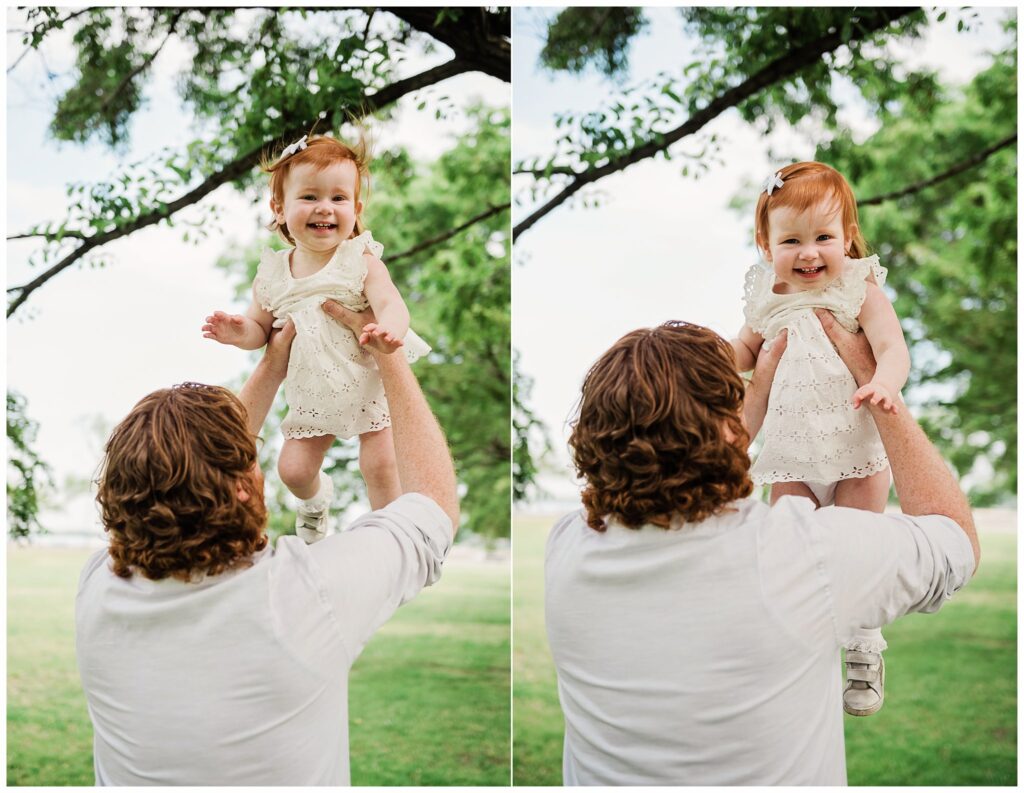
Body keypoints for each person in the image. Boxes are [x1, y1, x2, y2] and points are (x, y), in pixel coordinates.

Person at [545, 317, 978, 786]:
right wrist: (875, 383)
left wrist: (745, 402)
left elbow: (675, 469)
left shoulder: (567, 549)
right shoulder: (804, 554)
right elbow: (954, 537)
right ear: (730, 431)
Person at [76, 301, 458, 786]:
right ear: (240, 487)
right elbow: (434, 507)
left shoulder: (97, 590)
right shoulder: (304, 596)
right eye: (249, 458)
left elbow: (199, 468)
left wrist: (273, 364)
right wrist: (390, 355)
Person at [729, 161, 911, 715]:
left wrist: (883, 382)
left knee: (859, 552)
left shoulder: (860, 288)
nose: (809, 253)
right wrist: (706, 357)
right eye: (791, 240)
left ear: (848, 237)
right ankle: (797, 654)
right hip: (790, 456)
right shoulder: (767, 299)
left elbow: (893, 348)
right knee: (790, 557)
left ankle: (863, 650)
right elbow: (737, 355)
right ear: (766, 245)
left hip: (856, 453)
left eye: (824, 238)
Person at [202, 132, 430, 543]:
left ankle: (397, 537)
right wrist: (240, 332)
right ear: (279, 208)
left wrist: (388, 330)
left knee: (380, 465)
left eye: (338, 199)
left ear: (356, 209)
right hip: (314, 390)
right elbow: (261, 330)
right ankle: (315, 500)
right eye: (310, 197)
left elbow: (392, 305)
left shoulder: (359, 260)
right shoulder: (273, 273)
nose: (325, 207)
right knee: (293, 471)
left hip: (366, 382)